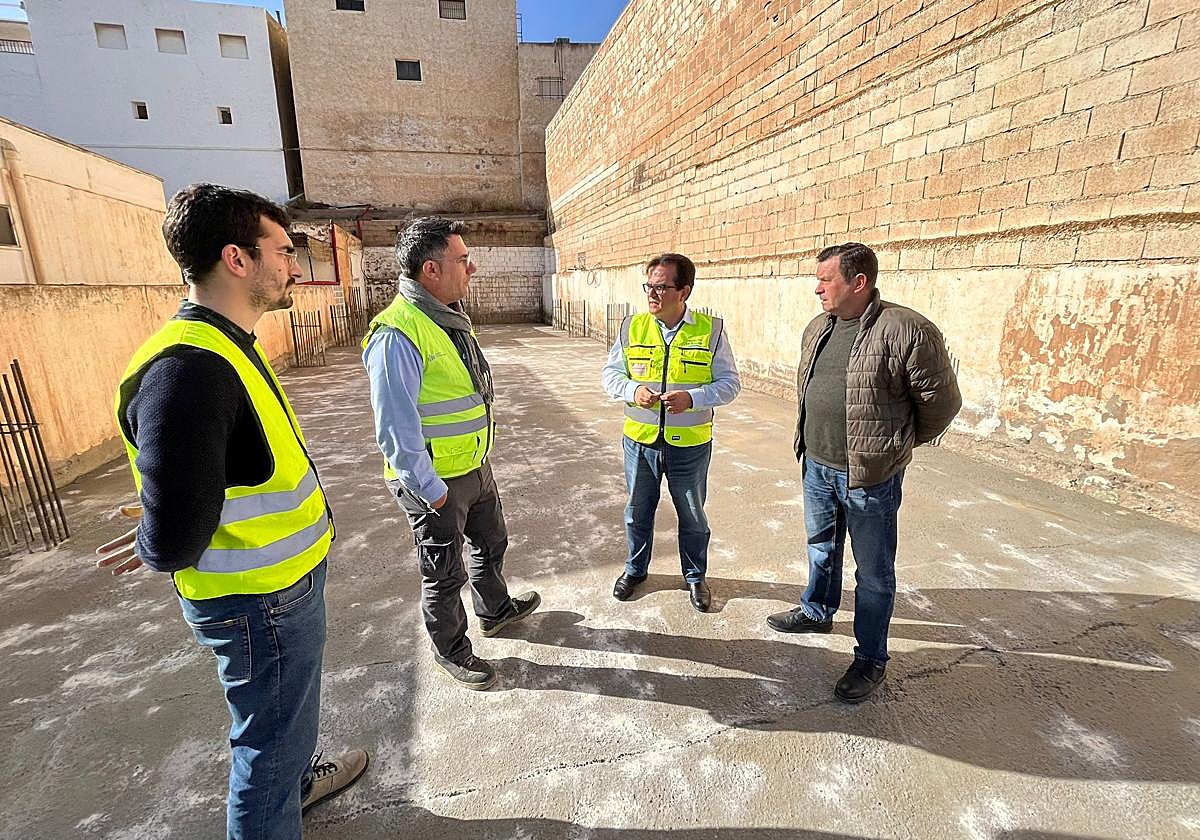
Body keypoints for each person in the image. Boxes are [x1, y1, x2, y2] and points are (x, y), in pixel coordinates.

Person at [95, 183, 368, 839]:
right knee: (266, 747)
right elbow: (177, 534)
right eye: (282, 250)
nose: (294, 264)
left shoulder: (225, 343)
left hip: (278, 589)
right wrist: (156, 540)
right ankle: (279, 800)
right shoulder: (190, 367)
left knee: (284, 726)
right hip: (257, 603)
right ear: (237, 259)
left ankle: (295, 784)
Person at [767, 242, 961, 703]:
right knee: (820, 548)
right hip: (816, 463)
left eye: (825, 280)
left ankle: (871, 658)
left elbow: (942, 404)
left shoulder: (908, 330)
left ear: (859, 282)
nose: (817, 289)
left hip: (869, 477)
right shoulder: (819, 326)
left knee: (873, 572)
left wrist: (893, 446)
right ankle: (817, 611)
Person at [362, 216, 539, 691]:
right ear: (430, 270)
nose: (473, 268)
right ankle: (452, 650)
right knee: (443, 574)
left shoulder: (447, 317)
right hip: (435, 481)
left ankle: (495, 610)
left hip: (474, 464)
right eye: (462, 260)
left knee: (491, 543)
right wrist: (431, 490)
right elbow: (395, 429)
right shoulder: (398, 334)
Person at [601, 253, 741, 612]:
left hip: (690, 447)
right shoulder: (632, 327)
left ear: (684, 291)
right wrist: (633, 391)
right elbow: (610, 375)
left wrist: (692, 398)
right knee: (637, 511)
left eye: (662, 287)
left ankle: (695, 577)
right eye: (649, 286)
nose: (652, 294)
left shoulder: (710, 331)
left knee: (692, 514)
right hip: (640, 442)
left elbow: (730, 384)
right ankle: (635, 570)